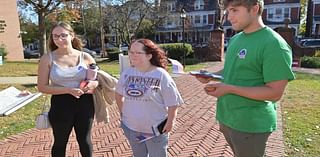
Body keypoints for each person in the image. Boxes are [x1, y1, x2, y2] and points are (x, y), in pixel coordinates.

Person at [195, 0, 295, 157]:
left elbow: (274, 93)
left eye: (235, 10)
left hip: (250, 124)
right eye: (228, 11)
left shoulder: (274, 44)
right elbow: (232, 70)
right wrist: (211, 76)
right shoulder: (236, 39)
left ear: (254, 9)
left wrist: (229, 89)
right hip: (227, 117)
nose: (229, 17)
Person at [37, 21, 98, 157]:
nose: (59, 39)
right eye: (55, 36)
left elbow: (95, 79)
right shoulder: (47, 59)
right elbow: (42, 87)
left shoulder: (85, 57)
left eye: (63, 35)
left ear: (72, 35)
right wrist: (68, 90)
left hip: (85, 104)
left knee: (85, 141)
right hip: (60, 105)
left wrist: (93, 84)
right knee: (60, 142)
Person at [115, 39, 183, 157]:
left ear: (149, 56)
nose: (133, 55)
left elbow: (173, 102)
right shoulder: (127, 74)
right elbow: (118, 94)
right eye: (131, 52)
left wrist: (171, 121)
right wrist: (123, 113)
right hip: (132, 128)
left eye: (138, 52)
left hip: (155, 130)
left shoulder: (160, 75)